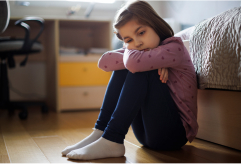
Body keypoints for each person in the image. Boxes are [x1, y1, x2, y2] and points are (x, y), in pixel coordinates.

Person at [62, 0, 198, 160]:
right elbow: (105, 63)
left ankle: (113, 138)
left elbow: (133, 63)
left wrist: (136, 54)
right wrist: (138, 52)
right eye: (128, 40)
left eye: (141, 33)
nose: (138, 43)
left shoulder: (175, 48)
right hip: (145, 134)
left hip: (173, 135)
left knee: (139, 68)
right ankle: (101, 132)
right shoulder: (142, 52)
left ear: (154, 24)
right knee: (128, 67)